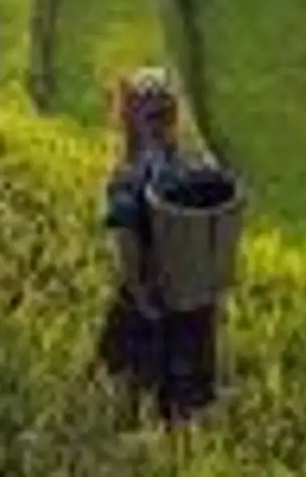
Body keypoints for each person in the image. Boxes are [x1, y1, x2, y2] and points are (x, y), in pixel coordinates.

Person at [96, 67, 221, 428]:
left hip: (178, 293)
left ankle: (167, 432)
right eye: (154, 116)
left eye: (166, 115)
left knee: (171, 388)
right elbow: (125, 237)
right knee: (147, 382)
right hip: (160, 292)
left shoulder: (176, 165)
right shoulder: (135, 173)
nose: (162, 125)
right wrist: (138, 288)